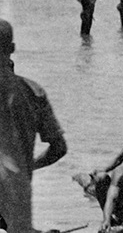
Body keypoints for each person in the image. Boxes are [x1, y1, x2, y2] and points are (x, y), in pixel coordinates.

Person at [0, 19, 68, 233]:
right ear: (12, 49)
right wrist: (29, 165)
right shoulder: (33, 92)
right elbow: (59, 148)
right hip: (16, 192)